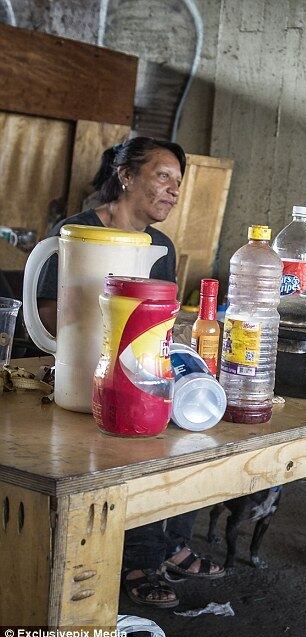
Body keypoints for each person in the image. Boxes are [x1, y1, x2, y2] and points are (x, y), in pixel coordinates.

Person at [37, 137, 224, 609]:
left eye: (178, 182)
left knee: (187, 431)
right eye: (163, 176)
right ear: (125, 175)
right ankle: (138, 559)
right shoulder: (77, 232)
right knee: (126, 448)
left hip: (137, 365)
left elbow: (158, 322)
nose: (174, 190)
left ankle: (173, 543)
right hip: (82, 366)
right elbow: (46, 314)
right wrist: (103, 310)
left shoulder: (160, 246)